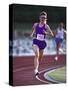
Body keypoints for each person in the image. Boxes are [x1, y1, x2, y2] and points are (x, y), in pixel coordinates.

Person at [30, 11, 54, 76]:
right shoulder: (35, 24)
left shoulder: (46, 26)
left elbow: (52, 34)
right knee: (37, 55)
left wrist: (46, 33)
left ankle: (37, 68)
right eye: (42, 17)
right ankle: (35, 70)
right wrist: (32, 34)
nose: (43, 19)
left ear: (45, 19)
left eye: (44, 18)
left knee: (40, 58)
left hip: (42, 43)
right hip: (36, 41)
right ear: (39, 18)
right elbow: (33, 30)